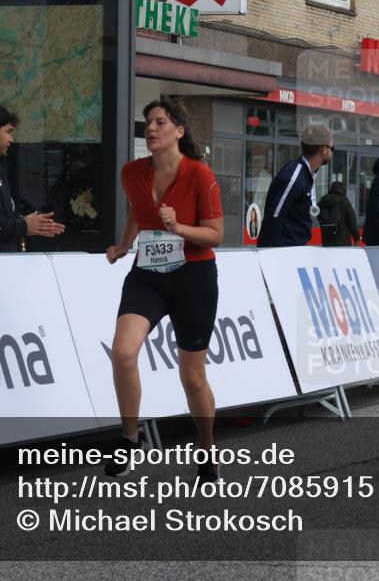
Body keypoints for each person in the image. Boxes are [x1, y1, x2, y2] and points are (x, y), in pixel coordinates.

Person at [104, 97, 224, 480]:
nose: (150, 129)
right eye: (148, 123)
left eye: (159, 122)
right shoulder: (131, 172)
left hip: (194, 278)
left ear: (178, 131)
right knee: (123, 352)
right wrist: (124, 245)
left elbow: (216, 235)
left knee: (192, 377)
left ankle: (206, 450)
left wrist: (179, 228)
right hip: (149, 275)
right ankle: (129, 437)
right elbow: (137, 210)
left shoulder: (200, 176)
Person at [0, 103, 65, 252]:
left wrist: (33, 223)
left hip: (8, 258)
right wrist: (24, 226)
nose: (11, 139)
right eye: (8, 131)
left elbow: (8, 211)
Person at [257, 125, 334, 247]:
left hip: (294, 249)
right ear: (324, 150)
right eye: (332, 148)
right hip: (284, 252)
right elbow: (275, 218)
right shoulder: (295, 177)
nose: (332, 151)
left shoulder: (305, 173)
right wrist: (272, 258)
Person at [318, 181, 359, 247]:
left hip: (326, 239)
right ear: (342, 190)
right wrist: (356, 238)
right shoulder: (345, 202)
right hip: (343, 241)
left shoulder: (322, 202)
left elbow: (319, 218)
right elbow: (352, 222)